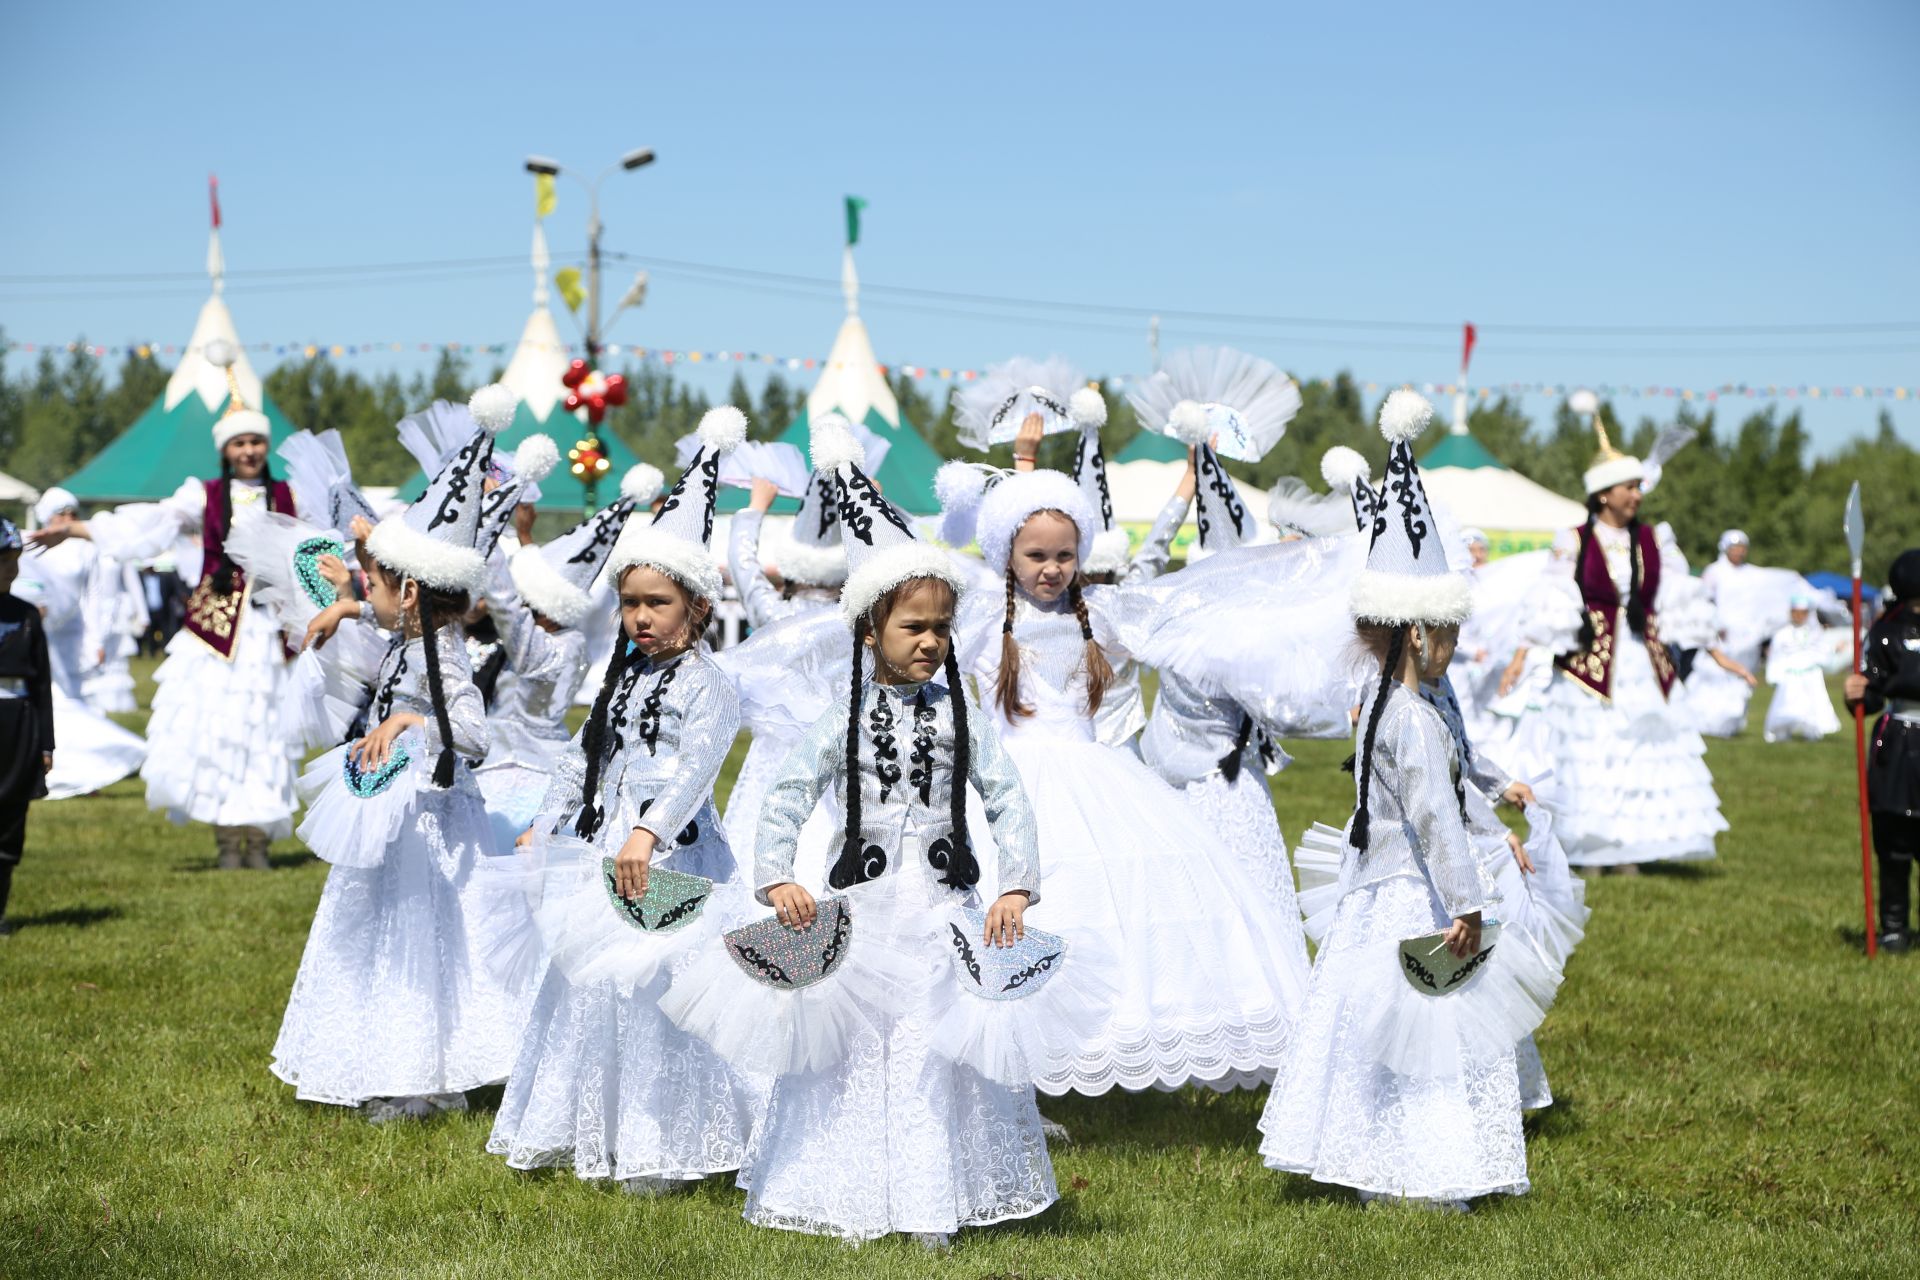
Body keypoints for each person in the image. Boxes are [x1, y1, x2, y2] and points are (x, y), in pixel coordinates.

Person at [681, 420, 1055, 1246]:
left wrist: (1018, 884)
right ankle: (847, 1192)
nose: (929, 642)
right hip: (861, 912)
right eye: (911, 627)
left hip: (942, 911)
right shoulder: (841, 717)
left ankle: (932, 1202)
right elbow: (782, 796)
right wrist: (776, 876)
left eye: (940, 629)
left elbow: (1008, 798)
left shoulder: (964, 715)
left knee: (933, 1051)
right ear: (868, 632)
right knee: (855, 1052)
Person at [1260, 390, 1557, 1208]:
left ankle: (1360, 1147)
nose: (1458, 646)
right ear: (1418, 632)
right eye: (1450, 632)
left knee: (1368, 1021)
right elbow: (1434, 816)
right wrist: (1466, 902)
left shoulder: (1380, 708)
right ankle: (1428, 1165)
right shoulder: (1416, 720)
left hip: (1372, 894)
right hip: (1420, 894)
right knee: (1434, 1027)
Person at [959, 465, 1307, 1095]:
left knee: (1108, 912)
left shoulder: (1104, 615)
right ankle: (1002, 1062)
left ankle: (1091, 1042)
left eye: (1065, 555)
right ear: (1005, 554)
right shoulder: (982, 619)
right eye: (1035, 554)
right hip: (1004, 786)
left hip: (1097, 782)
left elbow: (1192, 598)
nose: (1051, 568)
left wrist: (1274, 569)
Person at [488, 407, 758, 1192]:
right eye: (632, 602)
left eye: (658, 604)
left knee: (668, 992)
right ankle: (601, 1126)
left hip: (673, 857)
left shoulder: (710, 683)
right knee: (596, 990)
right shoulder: (625, 676)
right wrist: (549, 823)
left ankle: (672, 1140)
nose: (641, 617)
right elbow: (588, 756)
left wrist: (647, 833)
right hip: (604, 851)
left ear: (697, 608)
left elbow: (694, 770)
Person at [269, 386, 533, 1119]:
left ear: (411, 590)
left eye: (377, 584)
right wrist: (350, 603)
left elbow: (474, 735)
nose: (368, 590)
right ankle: (371, 1053)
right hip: (396, 819)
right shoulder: (412, 635)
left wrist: (411, 727)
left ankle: (423, 1073)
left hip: (433, 828)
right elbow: (382, 634)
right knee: (375, 934)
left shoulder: (444, 656)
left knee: (424, 944)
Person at [26, 343, 302, 870]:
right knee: (220, 728)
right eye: (240, 442)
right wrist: (77, 527)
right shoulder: (203, 496)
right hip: (215, 630)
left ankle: (259, 840)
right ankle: (226, 840)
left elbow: (319, 546)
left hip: (266, 633)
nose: (249, 451)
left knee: (264, 730)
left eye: (256, 442)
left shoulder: (288, 497)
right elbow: (145, 526)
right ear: (225, 449)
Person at [1502, 408, 1726, 872]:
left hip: (1643, 660)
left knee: (1640, 754)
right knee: (1591, 755)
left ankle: (1631, 850)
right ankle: (1590, 849)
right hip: (1591, 661)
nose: (1637, 496)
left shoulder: (1654, 538)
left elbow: (1678, 595)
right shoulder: (1574, 539)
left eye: (1639, 487)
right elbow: (1553, 596)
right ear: (1604, 493)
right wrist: (1522, 654)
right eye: (1629, 488)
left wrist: (1714, 647)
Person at [1845, 550, 1920, 953]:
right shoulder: (1886, 631)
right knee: (1893, 839)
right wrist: (1857, 692)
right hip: (1898, 740)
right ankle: (1893, 927)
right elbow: (1872, 694)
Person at [0, 518, 54, 936]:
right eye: (2, 562)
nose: (10, 570)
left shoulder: (27, 616)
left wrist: (46, 742)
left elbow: (41, 685)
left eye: (14, 561)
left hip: (17, 725)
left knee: (10, 815)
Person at [1764, 593, 1842, 743]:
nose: (1799, 616)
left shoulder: (1814, 632)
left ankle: (1812, 732)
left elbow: (1821, 649)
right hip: (1790, 675)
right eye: (1796, 612)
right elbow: (1776, 655)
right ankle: (1782, 731)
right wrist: (1774, 675)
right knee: (1788, 703)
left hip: (1811, 674)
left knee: (1813, 703)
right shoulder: (1782, 634)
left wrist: (1833, 651)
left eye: (1803, 613)